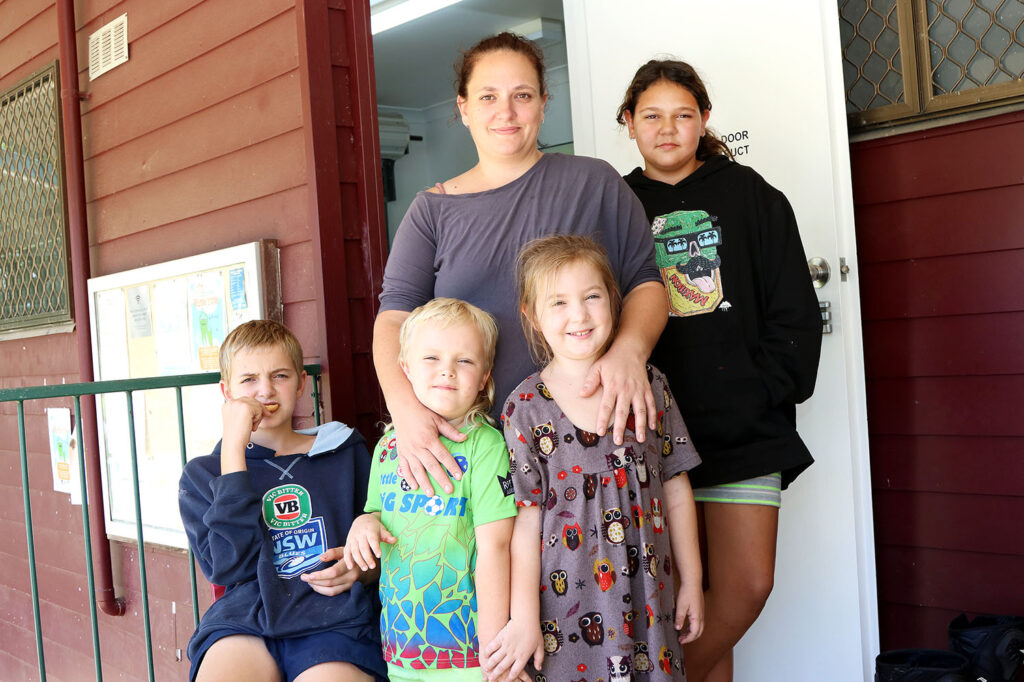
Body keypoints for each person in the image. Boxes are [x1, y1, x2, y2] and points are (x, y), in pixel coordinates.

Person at [374, 31, 668, 499]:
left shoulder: (594, 182)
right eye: (488, 96)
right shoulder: (431, 210)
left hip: (585, 438)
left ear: (544, 104)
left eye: (522, 96)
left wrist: (630, 351)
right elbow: (394, 318)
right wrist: (405, 410)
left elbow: (646, 285)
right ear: (464, 107)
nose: (505, 112)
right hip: (469, 449)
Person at [616, 59, 823, 682]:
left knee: (745, 588)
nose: (668, 129)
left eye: (683, 115)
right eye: (651, 116)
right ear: (629, 124)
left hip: (743, 429)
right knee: (688, 610)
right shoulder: (615, 204)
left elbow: (794, 309)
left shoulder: (752, 195)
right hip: (648, 431)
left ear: (704, 120)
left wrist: (763, 389)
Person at [483, 235, 704, 681]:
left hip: (649, 603)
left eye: (591, 297)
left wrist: (693, 580)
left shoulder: (648, 384)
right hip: (566, 617)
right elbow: (525, 526)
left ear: (613, 300)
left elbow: (676, 487)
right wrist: (522, 619)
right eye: (559, 302)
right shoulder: (524, 408)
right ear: (532, 315)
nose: (579, 315)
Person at [178, 320, 386, 682]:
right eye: (248, 380)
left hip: (333, 619)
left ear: (302, 382)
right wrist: (234, 451)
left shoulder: (343, 453)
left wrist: (364, 573)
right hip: (245, 619)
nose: (265, 391)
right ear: (226, 392)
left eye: (280, 376)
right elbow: (229, 567)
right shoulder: (205, 473)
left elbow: (384, 542)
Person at [343, 298, 519, 681]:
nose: (447, 372)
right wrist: (364, 523)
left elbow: (496, 548)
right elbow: (378, 516)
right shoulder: (388, 448)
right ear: (404, 369)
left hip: (468, 652)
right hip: (402, 648)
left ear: (485, 376)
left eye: (465, 361)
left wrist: (493, 654)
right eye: (431, 359)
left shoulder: (483, 447)